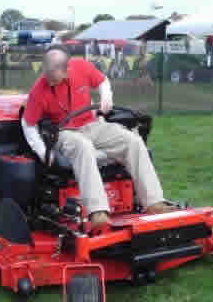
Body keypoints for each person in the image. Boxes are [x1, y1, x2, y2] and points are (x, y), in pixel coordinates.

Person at [21, 45, 175, 228]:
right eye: (47, 75)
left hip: (92, 124)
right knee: (83, 146)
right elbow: (28, 124)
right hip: (64, 132)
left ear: (67, 68)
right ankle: (98, 212)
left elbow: (103, 82)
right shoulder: (39, 90)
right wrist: (43, 152)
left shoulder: (81, 67)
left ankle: (154, 202)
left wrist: (105, 97)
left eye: (54, 78)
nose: (50, 81)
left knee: (132, 141)